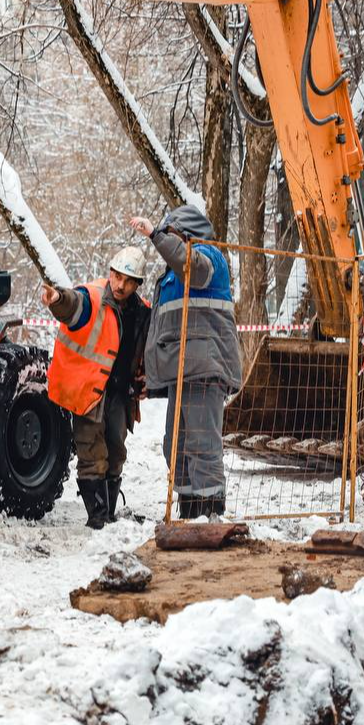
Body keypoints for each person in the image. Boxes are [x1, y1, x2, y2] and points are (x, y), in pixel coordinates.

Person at [131, 206, 242, 519]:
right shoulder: (171, 278)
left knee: (202, 443)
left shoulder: (207, 258)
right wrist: (152, 385)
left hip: (205, 369)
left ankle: (210, 514)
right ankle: (190, 511)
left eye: (171, 237)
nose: (167, 244)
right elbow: (167, 335)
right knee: (175, 446)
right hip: (184, 373)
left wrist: (154, 235)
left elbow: (190, 264)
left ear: (186, 235)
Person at [41, 247, 150, 529]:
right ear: (110, 273)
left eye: (128, 280)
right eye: (117, 277)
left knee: (116, 451)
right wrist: (57, 299)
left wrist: (145, 377)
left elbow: (147, 350)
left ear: (137, 283)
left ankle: (109, 511)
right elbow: (73, 306)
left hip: (120, 393)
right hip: (89, 390)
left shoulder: (143, 312)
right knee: (91, 451)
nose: (120, 285)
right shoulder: (93, 298)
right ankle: (97, 517)